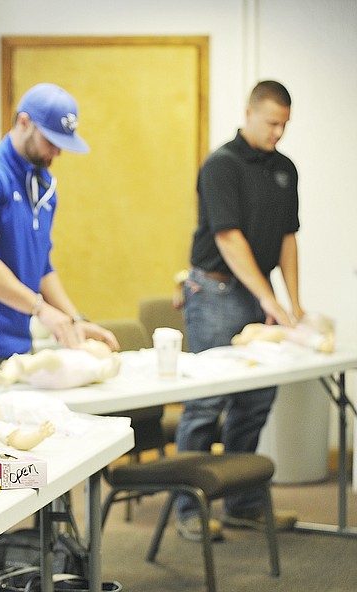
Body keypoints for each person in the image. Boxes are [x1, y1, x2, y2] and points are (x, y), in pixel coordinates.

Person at [0, 83, 120, 412]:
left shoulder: (43, 186)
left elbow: (41, 266)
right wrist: (41, 310)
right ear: (24, 122)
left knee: (11, 457)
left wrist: (73, 321)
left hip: (13, 349)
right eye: (51, 141)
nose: (57, 153)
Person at [175, 80, 302, 542]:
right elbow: (229, 239)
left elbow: (288, 238)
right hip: (214, 291)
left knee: (256, 399)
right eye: (271, 123)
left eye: (284, 124)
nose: (278, 133)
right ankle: (189, 509)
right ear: (248, 114)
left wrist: (292, 301)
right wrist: (268, 299)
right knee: (207, 402)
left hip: (256, 292)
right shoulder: (220, 166)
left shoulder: (285, 169)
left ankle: (241, 504)